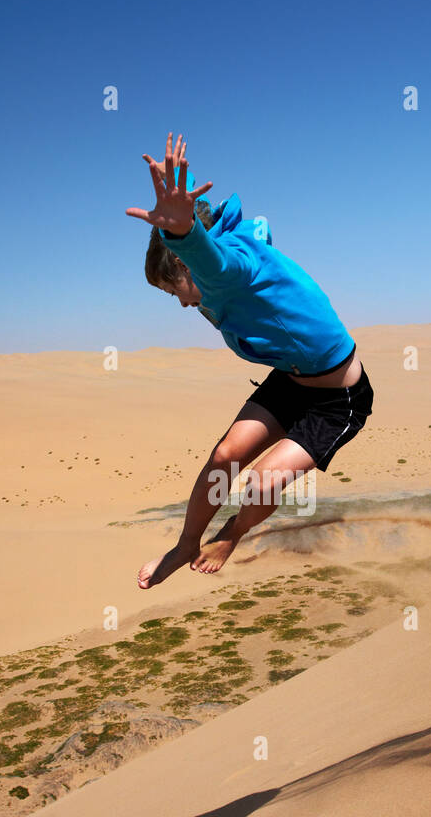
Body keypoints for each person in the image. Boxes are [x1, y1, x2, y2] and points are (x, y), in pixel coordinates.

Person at [126, 133, 374, 588]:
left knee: (260, 483)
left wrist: (182, 233)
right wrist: (182, 191)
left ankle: (233, 533)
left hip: (338, 399)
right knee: (225, 456)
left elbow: (213, 261)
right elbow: (205, 218)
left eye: (174, 291)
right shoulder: (216, 259)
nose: (181, 305)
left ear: (188, 268)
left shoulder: (233, 270)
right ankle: (186, 543)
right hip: (292, 382)